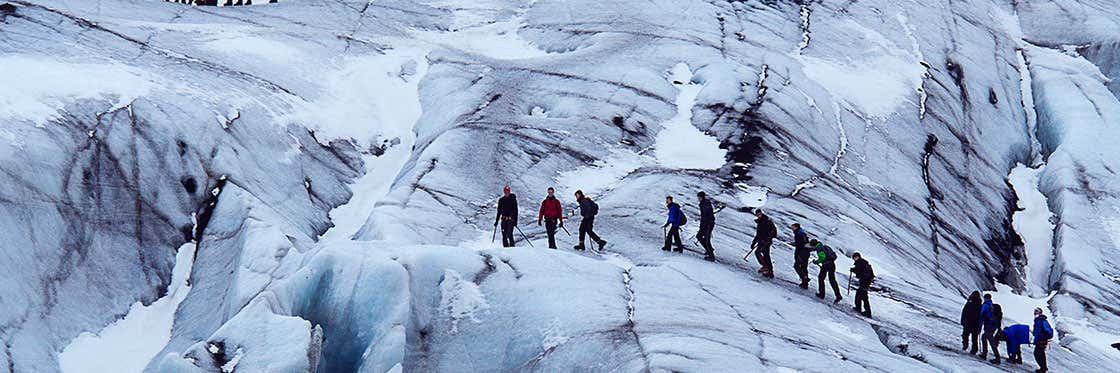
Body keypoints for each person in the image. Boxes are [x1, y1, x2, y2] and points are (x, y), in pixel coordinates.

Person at [752, 209, 777, 278]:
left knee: (760, 253)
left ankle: (766, 267)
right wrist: (754, 242)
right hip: (761, 241)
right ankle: (768, 269)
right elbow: (758, 233)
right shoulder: (761, 221)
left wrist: (767, 239)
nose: (758, 215)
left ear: (761, 213)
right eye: (757, 214)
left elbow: (774, 232)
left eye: (759, 214)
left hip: (766, 241)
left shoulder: (767, 221)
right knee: (764, 255)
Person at [850, 252, 874, 317]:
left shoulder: (860, 263)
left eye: (855, 257)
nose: (854, 259)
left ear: (857, 257)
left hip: (865, 281)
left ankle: (867, 312)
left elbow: (859, 271)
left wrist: (853, 270)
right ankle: (860, 309)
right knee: (861, 295)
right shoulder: (863, 262)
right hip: (866, 281)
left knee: (862, 296)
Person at [1033, 307, 1053, 373]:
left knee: (1037, 353)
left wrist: (1037, 339)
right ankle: (1043, 368)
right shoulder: (1041, 320)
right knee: (1040, 353)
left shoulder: (1040, 321)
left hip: (1041, 340)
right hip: (1042, 340)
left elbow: (1039, 332)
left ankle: (1043, 368)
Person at [697, 191, 716, 261]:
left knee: (707, 240)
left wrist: (707, 224)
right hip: (705, 224)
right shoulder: (703, 204)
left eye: (699, 197)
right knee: (699, 236)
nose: (698, 199)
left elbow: (707, 216)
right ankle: (709, 250)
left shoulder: (705, 205)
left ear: (702, 197)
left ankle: (711, 256)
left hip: (708, 224)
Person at [791, 223, 811, 289]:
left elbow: (800, 245)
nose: (792, 229)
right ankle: (805, 283)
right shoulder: (802, 233)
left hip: (801, 253)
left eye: (793, 227)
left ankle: (804, 278)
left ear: (796, 227)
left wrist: (798, 254)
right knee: (804, 267)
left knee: (797, 266)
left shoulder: (799, 234)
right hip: (806, 253)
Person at [980, 294, 997, 360]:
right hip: (993, 325)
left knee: (990, 340)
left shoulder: (985, 305)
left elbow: (981, 315)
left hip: (989, 325)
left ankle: (997, 357)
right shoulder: (992, 305)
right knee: (985, 337)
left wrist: (979, 325)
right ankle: (984, 353)